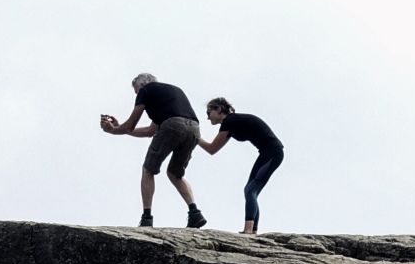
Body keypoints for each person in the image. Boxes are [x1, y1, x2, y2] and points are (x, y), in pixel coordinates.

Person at [101, 73, 207, 229]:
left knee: (148, 169)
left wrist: (113, 130)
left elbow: (130, 125)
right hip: (194, 129)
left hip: (172, 125)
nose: (137, 95)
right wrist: (120, 129)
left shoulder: (146, 90)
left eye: (136, 91)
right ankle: (195, 213)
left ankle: (146, 218)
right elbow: (151, 130)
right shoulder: (170, 92)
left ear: (142, 84)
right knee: (175, 173)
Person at [198, 98, 284, 234]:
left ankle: (249, 231)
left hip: (272, 152)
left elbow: (212, 148)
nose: (207, 118)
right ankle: (252, 231)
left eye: (209, 113)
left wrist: (195, 137)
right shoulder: (230, 124)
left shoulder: (229, 121)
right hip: (269, 153)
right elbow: (212, 150)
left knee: (250, 191)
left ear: (219, 109)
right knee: (250, 191)